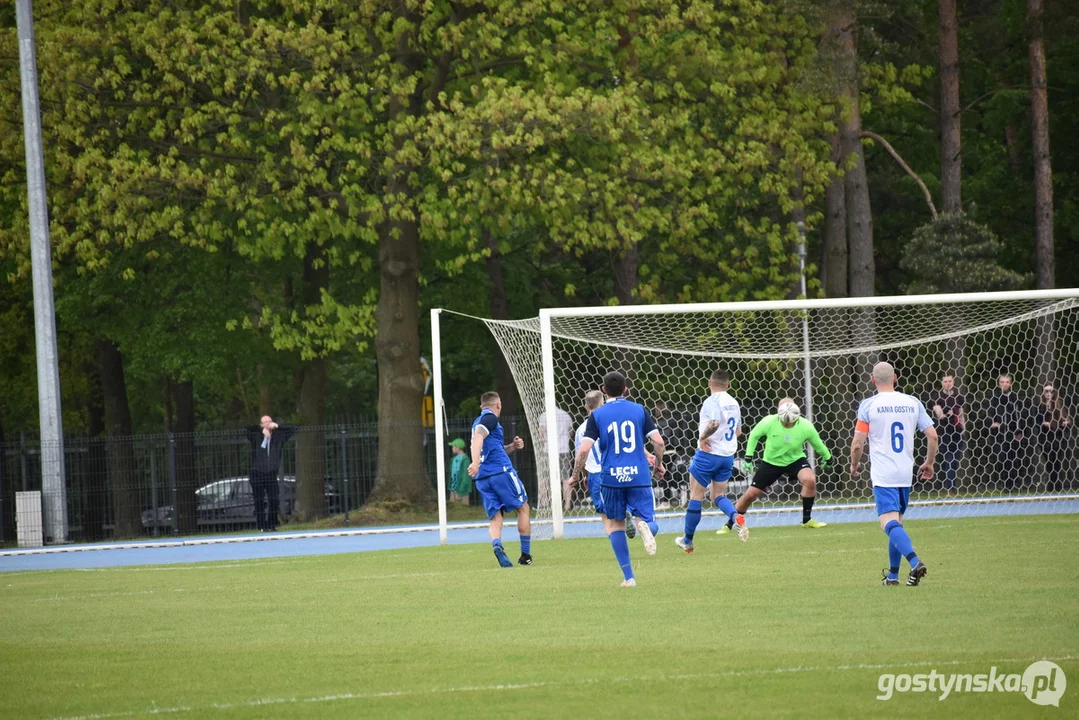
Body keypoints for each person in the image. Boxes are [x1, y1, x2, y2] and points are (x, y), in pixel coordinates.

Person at [572, 371, 665, 587]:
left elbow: (584, 450)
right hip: (639, 476)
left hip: (611, 479)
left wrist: (577, 474)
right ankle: (646, 529)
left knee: (615, 525)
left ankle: (628, 577)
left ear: (604, 390)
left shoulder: (597, 416)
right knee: (648, 520)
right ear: (626, 389)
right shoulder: (639, 410)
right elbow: (658, 442)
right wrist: (658, 465)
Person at [850, 362, 938, 587]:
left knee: (886, 523)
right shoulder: (912, 402)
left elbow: (858, 443)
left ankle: (915, 562)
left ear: (872, 380)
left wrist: (854, 465)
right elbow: (932, 435)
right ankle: (893, 576)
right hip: (904, 473)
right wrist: (929, 462)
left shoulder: (869, 405)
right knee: (896, 521)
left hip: (884, 474)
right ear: (895, 378)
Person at [721, 397, 832, 536]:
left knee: (810, 480)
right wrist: (748, 457)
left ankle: (806, 520)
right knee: (750, 494)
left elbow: (817, 443)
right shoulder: (769, 421)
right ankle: (730, 524)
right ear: (778, 411)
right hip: (771, 462)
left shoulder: (805, 425)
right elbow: (754, 435)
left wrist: (828, 458)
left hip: (795, 460)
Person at [675, 369, 748, 552]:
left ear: (709, 383)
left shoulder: (711, 401)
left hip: (708, 455)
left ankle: (688, 541)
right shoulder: (734, 402)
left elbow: (714, 423)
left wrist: (702, 438)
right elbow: (738, 431)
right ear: (728, 385)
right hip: (727, 456)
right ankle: (735, 517)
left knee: (696, 496)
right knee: (718, 496)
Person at [467, 392, 530, 567]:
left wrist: (512, 446)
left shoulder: (477, 422)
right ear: (498, 405)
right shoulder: (490, 418)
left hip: (483, 479)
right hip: (501, 473)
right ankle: (525, 555)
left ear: (481, 405)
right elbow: (479, 437)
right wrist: (474, 462)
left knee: (495, 518)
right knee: (523, 508)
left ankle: (497, 545)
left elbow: (491, 449)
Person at [243, 415, 297, 532]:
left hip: (271, 473)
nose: (268, 424)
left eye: (270, 421)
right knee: (259, 500)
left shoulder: (279, 436)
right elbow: (246, 428)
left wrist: (278, 426)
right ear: (261, 424)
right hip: (256, 472)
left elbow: (294, 428)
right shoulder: (256, 435)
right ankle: (262, 525)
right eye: (265, 422)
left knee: (273, 499)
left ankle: (272, 524)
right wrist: (260, 430)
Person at [987, 373, 1035, 490]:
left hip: (1014, 434)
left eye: (1007, 382)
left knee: (1015, 459)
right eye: (1002, 382)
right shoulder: (994, 398)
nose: (1004, 384)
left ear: (1011, 383)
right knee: (1003, 458)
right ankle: (1007, 485)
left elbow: (1022, 416)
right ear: (999, 383)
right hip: (999, 434)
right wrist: (992, 423)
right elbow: (988, 414)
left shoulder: (1016, 398)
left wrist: (1020, 431)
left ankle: (1014, 484)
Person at [930, 374, 966, 497]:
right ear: (942, 383)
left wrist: (963, 429)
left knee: (955, 461)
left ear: (953, 382)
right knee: (949, 459)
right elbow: (939, 414)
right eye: (945, 381)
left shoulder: (959, 397)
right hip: (945, 432)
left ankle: (952, 487)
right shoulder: (937, 397)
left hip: (957, 432)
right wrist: (947, 413)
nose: (948, 383)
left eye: (950, 381)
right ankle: (950, 488)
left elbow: (961, 414)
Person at [1037, 383, 1073, 492]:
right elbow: (1035, 422)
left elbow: (1065, 421)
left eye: (1051, 391)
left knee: (1056, 463)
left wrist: (1065, 423)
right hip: (1045, 439)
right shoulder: (1039, 407)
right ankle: (1051, 487)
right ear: (1043, 392)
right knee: (1049, 463)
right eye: (1046, 391)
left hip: (1057, 438)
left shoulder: (1059, 407)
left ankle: (1055, 487)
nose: (1048, 393)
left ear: (1054, 392)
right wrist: (1043, 424)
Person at [539, 404, 575, 511]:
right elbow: (570, 432)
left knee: (544, 478)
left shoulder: (544, 416)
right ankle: (567, 505)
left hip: (548, 450)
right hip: (563, 449)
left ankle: (545, 504)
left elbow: (542, 434)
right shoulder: (566, 415)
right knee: (565, 478)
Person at [448, 438, 471, 505]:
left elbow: (466, 475)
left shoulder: (465, 460)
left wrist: (462, 488)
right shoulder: (453, 459)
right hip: (453, 488)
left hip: (462, 490)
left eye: (453, 446)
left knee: (463, 508)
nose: (452, 448)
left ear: (458, 447)